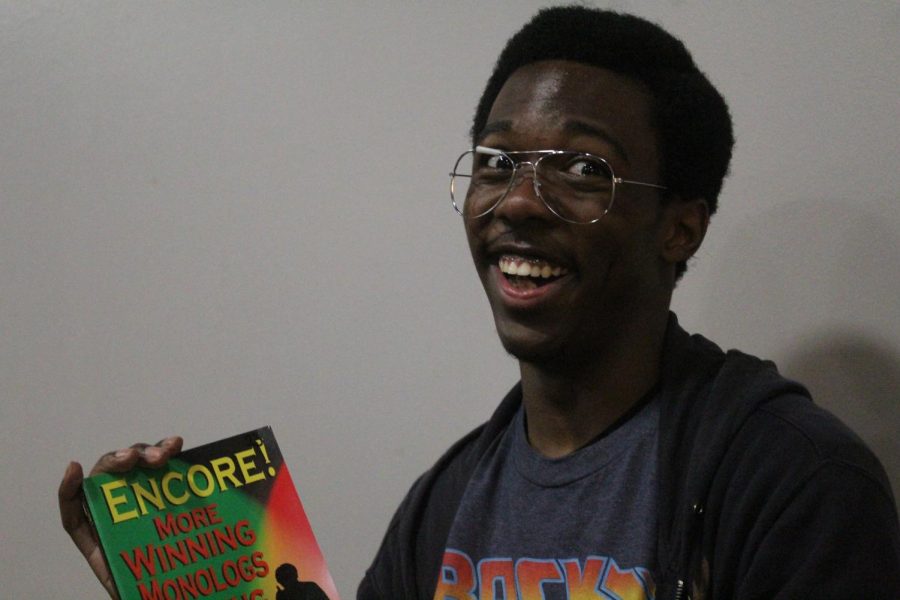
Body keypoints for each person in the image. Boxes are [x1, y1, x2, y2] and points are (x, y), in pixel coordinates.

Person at [60, 6, 900, 600]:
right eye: (495, 162)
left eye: (582, 171)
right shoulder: (447, 501)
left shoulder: (795, 486)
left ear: (679, 228)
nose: (519, 202)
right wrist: (184, 579)